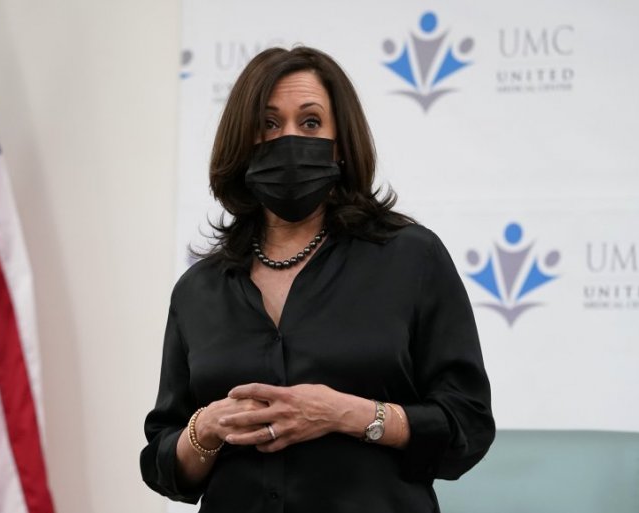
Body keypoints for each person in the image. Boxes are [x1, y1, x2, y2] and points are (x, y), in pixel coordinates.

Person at [140, 46, 494, 513]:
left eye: (310, 123)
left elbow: (467, 425)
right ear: (242, 143)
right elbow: (165, 464)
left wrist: (346, 414)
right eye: (268, 124)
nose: (288, 138)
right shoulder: (199, 289)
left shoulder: (411, 257)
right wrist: (205, 428)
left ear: (340, 144)